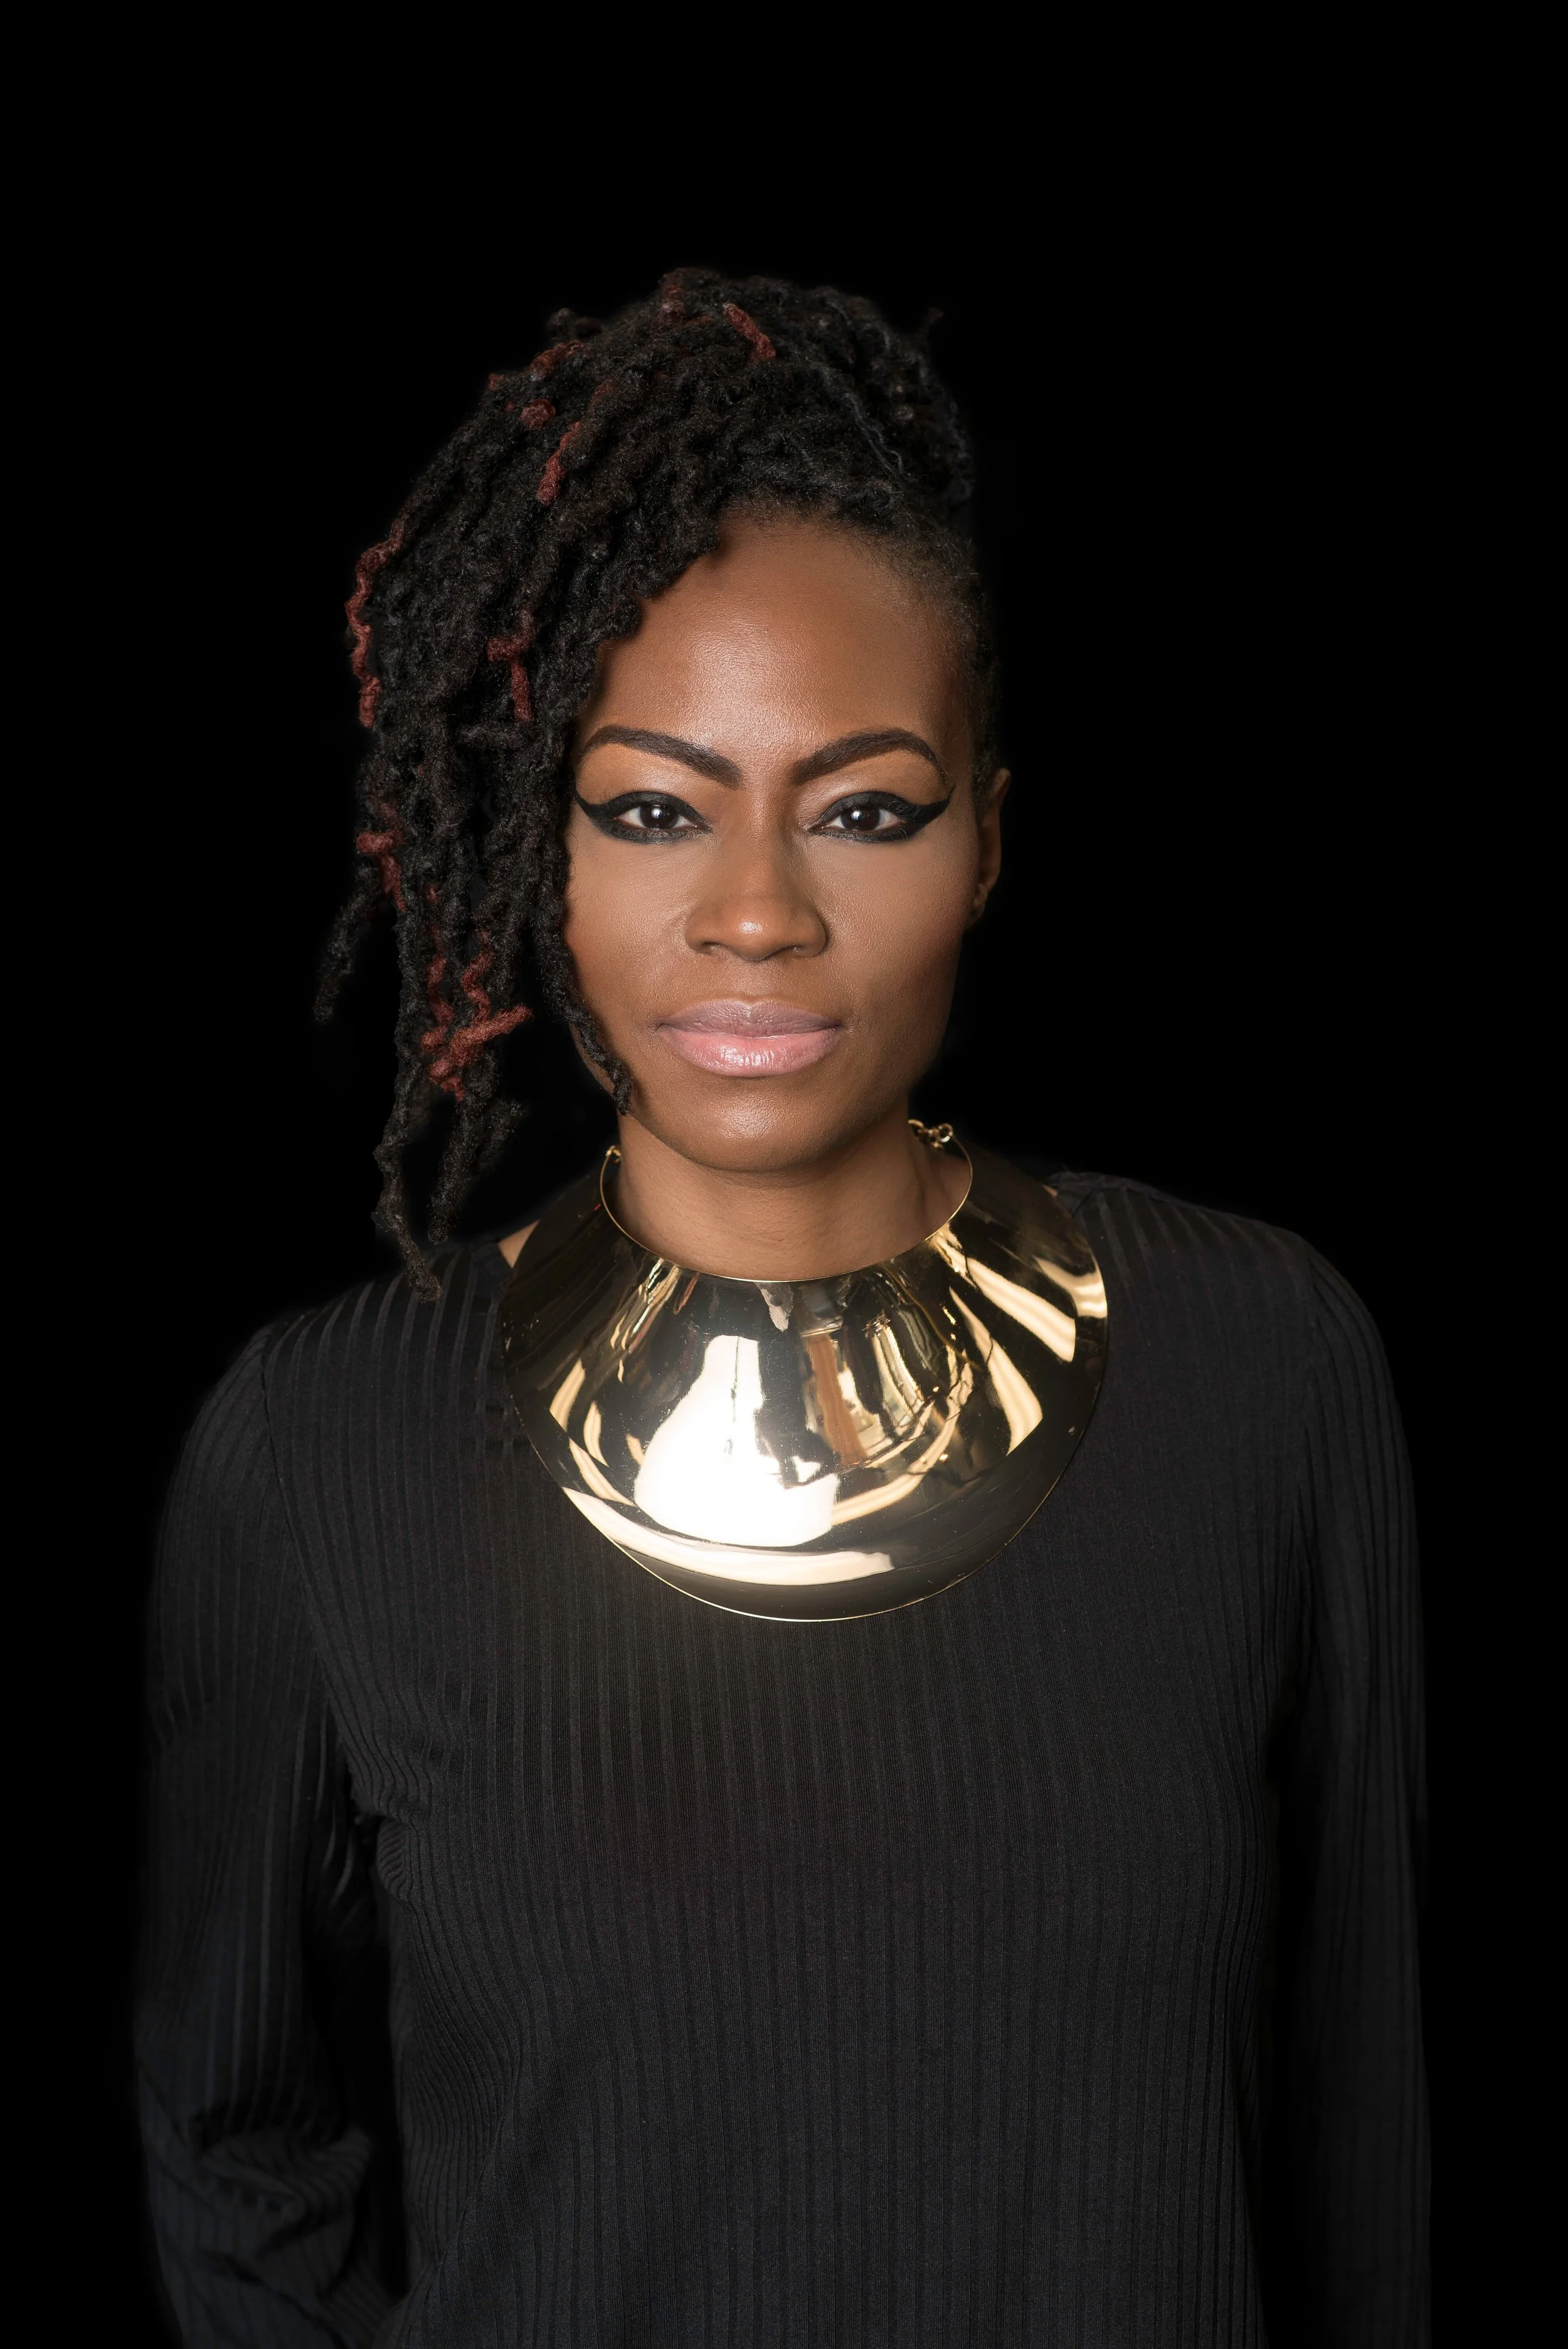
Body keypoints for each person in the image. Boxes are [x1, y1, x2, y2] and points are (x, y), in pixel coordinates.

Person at [138, 270, 1428, 2345]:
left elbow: (1364, 2158)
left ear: (988, 839)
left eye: (863, 808)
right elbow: (234, 2153)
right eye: (651, 807)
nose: (754, 913)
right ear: (532, 844)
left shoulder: (1261, 1365)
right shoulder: (319, 1451)